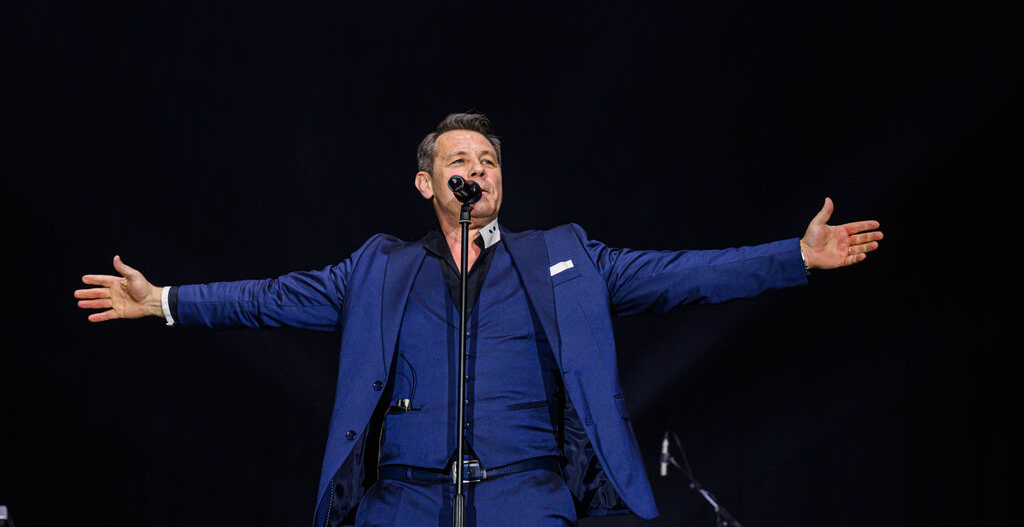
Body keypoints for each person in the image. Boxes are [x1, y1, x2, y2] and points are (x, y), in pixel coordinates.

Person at [75, 112, 882, 527]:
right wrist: (165, 300)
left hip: (527, 498)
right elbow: (270, 297)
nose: (477, 169)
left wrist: (792, 255)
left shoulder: (566, 257)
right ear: (426, 183)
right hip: (401, 502)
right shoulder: (378, 268)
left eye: (489, 161)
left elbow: (681, 276)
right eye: (459, 160)